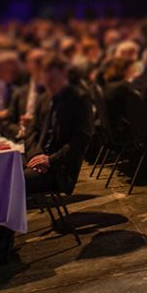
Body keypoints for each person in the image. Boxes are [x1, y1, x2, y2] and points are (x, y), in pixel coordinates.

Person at [24, 56, 95, 196]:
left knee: (14, 183)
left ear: (64, 75)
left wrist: (50, 160)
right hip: (38, 160)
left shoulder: (79, 98)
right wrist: (36, 156)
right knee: (3, 174)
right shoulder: (44, 98)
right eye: (46, 81)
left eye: (53, 81)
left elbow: (82, 139)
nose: (49, 85)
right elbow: (31, 131)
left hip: (59, 169)